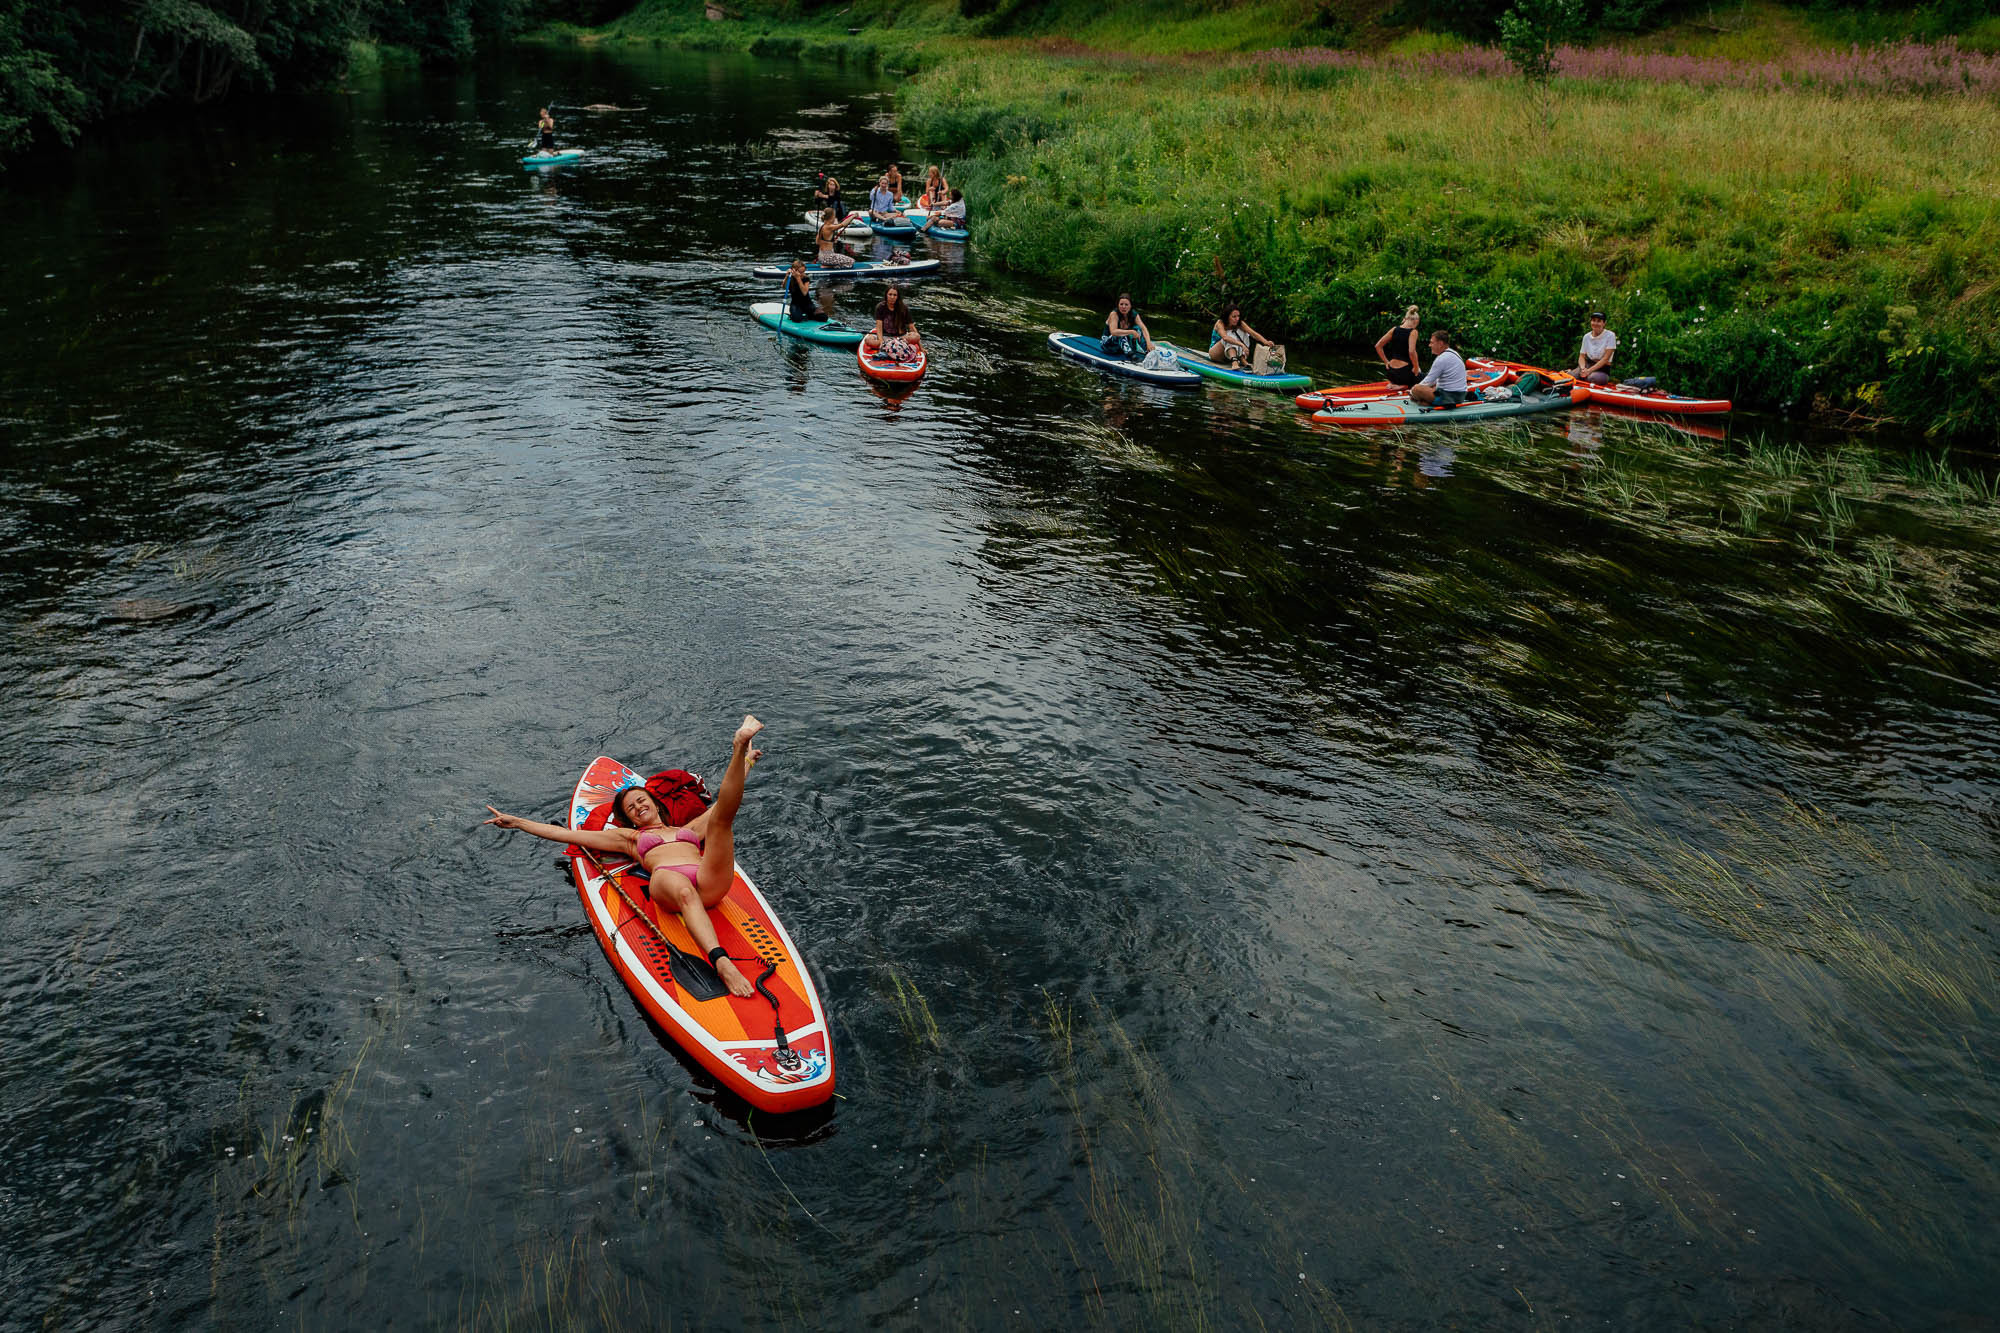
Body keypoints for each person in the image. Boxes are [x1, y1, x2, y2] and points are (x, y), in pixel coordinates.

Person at [485, 716, 767, 998]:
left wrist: (746, 763)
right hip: (669, 884)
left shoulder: (687, 829)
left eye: (641, 800)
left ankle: (738, 746)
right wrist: (519, 823)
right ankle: (722, 962)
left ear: (654, 802)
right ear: (629, 819)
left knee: (721, 820)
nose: (638, 806)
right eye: (631, 808)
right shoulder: (629, 838)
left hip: (708, 881)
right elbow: (569, 836)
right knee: (684, 891)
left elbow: (724, 803)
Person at [1209, 304, 1280, 370]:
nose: (1237, 319)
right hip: (1216, 354)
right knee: (1229, 335)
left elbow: (1252, 333)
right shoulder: (1220, 323)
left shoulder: (1239, 323)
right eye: (1234, 317)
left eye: (1238, 316)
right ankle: (1234, 361)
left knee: (1244, 332)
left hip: (1227, 356)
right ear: (1227, 317)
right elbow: (1225, 338)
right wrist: (1242, 345)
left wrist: (1266, 342)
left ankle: (1242, 359)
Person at [1409, 329, 1470, 406]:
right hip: (1460, 396)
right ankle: (1426, 402)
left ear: (1440, 343)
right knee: (1424, 392)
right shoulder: (1453, 353)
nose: (1429, 345)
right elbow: (1434, 381)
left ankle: (1428, 401)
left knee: (1417, 389)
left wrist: (1412, 391)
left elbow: (1428, 381)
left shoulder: (1442, 358)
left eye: (1432, 342)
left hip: (1450, 397)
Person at [864, 284, 922, 360]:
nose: (892, 297)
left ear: (897, 297)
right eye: (890, 294)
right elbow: (879, 326)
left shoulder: (904, 308)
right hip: (885, 337)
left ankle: (891, 348)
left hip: (901, 338)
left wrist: (921, 347)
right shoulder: (880, 307)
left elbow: (911, 327)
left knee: (916, 336)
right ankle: (893, 347)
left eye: (895, 295)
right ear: (886, 295)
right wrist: (882, 343)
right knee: (868, 340)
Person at [1375, 305, 1423, 387]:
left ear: (1405, 319)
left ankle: (1394, 384)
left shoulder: (1394, 329)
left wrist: (1386, 362)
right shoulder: (1413, 332)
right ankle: (1402, 387)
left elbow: (1378, 346)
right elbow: (1411, 352)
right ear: (1416, 321)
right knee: (1426, 379)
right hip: (1404, 373)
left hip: (1391, 372)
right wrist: (1416, 367)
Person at [1102, 293, 1152, 359]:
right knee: (1120, 334)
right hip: (1109, 345)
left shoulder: (1134, 314)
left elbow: (1143, 328)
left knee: (1138, 328)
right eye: (1121, 304)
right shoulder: (1114, 314)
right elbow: (1113, 332)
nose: (1123, 307)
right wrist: (1131, 332)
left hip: (1122, 347)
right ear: (1118, 305)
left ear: (1130, 306)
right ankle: (1131, 356)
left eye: (1126, 305)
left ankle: (1148, 352)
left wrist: (1148, 343)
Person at [1576, 311, 1617, 384]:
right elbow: (1582, 356)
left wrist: (1589, 371)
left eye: (1598, 321)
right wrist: (1583, 368)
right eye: (1593, 320)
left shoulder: (1610, 335)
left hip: (1602, 368)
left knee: (1592, 378)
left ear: (1604, 323)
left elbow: (1605, 359)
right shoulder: (1586, 336)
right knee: (1571, 376)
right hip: (1587, 365)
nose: (1595, 323)